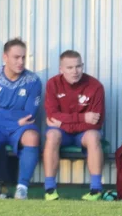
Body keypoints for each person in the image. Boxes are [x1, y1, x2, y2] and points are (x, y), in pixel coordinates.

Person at [0, 39, 42, 200]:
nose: (21, 62)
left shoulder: (33, 81)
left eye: (24, 57)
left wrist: (1, 112)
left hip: (21, 128)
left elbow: (30, 115)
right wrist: (16, 119)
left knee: (32, 137)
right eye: (16, 57)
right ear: (5, 57)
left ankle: (22, 189)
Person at [42, 50, 106, 200]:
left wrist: (64, 122)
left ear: (82, 66)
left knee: (93, 136)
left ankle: (96, 189)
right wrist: (83, 117)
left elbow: (96, 123)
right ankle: (50, 189)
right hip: (62, 134)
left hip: (82, 134)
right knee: (51, 134)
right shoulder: (53, 84)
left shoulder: (95, 86)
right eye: (69, 68)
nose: (75, 71)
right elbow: (52, 115)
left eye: (78, 66)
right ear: (61, 69)